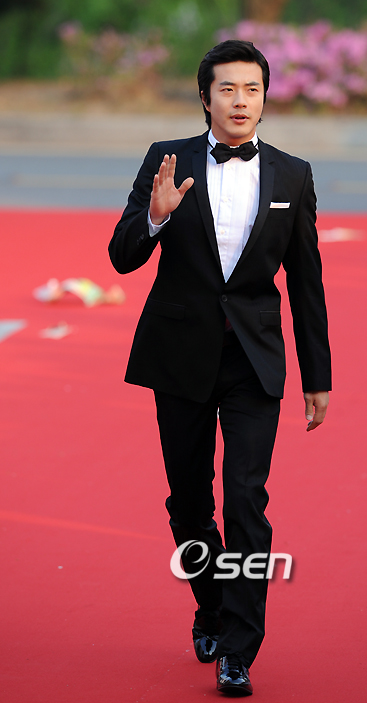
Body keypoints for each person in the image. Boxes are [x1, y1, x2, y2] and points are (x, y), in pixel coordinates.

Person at [109, 39, 331, 696]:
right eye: (227, 89)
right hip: (179, 355)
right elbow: (121, 256)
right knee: (188, 502)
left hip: (253, 361)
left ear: (265, 97)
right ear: (205, 97)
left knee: (246, 501)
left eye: (252, 89)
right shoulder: (166, 159)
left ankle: (238, 647)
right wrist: (154, 217)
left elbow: (307, 282)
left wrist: (318, 375)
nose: (240, 101)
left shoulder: (293, 174)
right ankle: (208, 603)